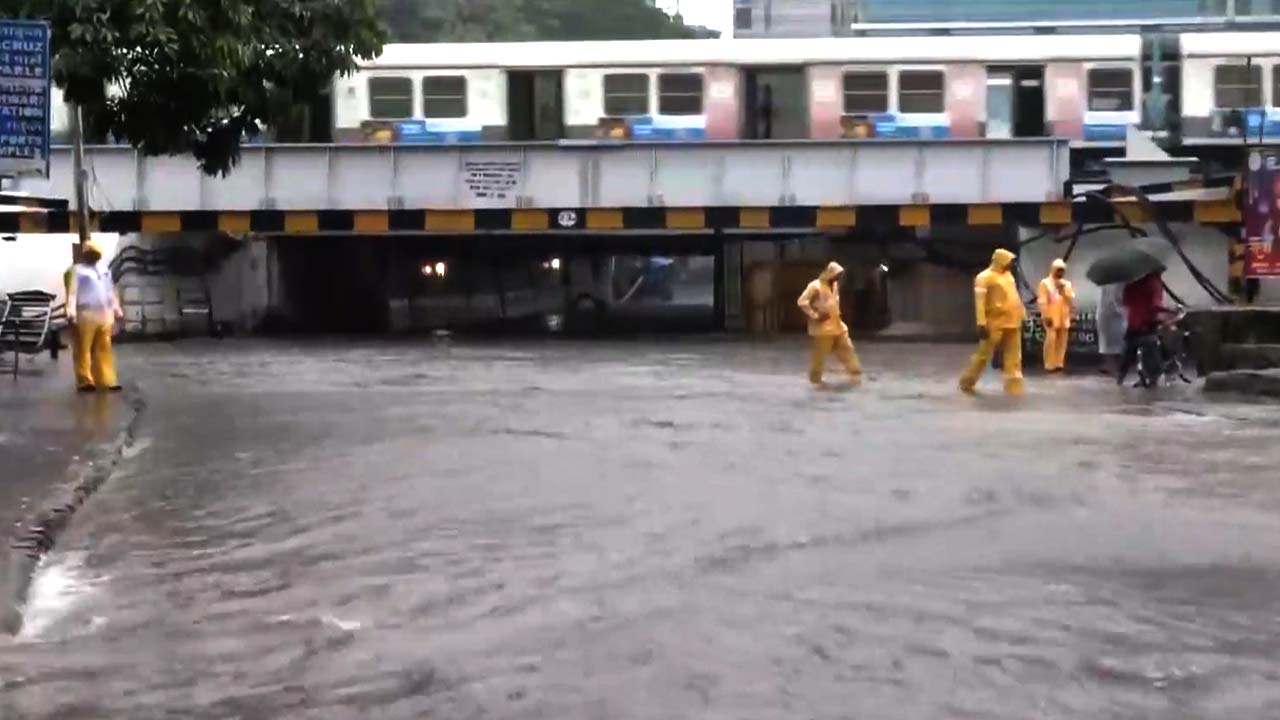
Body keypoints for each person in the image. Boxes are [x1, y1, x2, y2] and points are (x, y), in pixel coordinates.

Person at [959, 248, 1026, 395]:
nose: (1011, 264)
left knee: (1014, 356)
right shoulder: (984, 277)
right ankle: (967, 381)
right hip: (994, 322)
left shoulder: (1009, 276)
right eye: (1009, 261)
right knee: (983, 355)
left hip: (1012, 321)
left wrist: (1022, 313)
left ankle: (1013, 386)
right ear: (1000, 260)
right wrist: (981, 323)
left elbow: (1014, 295)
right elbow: (980, 302)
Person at [66, 239, 123, 393]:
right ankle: (85, 380)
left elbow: (110, 291)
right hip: (86, 313)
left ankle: (108, 380)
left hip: (104, 313)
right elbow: (72, 292)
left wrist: (116, 308)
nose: (93, 256)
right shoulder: (77, 270)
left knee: (105, 347)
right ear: (85, 254)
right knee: (83, 348)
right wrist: (70, 310)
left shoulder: (104, 269)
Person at [797, 261, 863, 387]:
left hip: (837, 325)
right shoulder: (815, 286)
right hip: (823, 328)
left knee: (847, 348)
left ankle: (855, 373)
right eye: (837, 275)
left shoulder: (834, 286)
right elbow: (802, 301)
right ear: (831, 274)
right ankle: (815, 379)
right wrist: (815, 315)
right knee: (820, 355)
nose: (839, 278)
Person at [1116, 270, 1176, 386]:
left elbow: (1125, 302)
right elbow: (1155, 306)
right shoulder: (1155, 283)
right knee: (1154, 354)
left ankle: (1120, 381)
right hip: (1147, 325)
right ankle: (1153, 381)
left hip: (1133, 324)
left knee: (1127, 356)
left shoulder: (1131, 284)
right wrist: (1171, 310)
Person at [1036, 258, 1076, 372]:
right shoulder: (1045, 283)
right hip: (1051, 315)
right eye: (1058, 270)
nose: (1060, 273)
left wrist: (1063, 290)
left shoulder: (1067, 284)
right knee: (1051, 339)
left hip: (1063, 315)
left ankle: (1059, 363)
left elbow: (1070, 299)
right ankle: (1049, 364)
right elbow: (1042, 300)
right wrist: (1045, 315)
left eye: (1062, 270)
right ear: (1053, 270)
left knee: (1062, 340)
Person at [1096, 282, 1127, 375]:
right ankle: (1112, 366)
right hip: (1112, 315)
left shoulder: (1106, 283)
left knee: (1109, 343)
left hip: (1108, 314)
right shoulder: (1118, 284)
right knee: (1112, 343)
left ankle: (1110, 365)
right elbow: (1116, 300)